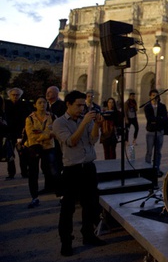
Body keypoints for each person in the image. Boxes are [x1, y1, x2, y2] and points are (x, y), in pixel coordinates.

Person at [52, 90, 107, 256]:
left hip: (89, 167)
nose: (82, 108)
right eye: (78, 105)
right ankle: (66, 241)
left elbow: (92, 140)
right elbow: (71, 142)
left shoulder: (86, 119)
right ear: (68, 104)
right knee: (68, 207)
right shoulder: (59, 123)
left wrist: (96, 124)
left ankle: (88, 234)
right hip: (72, 169)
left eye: (83, 105)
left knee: (90, 204)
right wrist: (84, 123)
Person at [24, 96, 56, 208]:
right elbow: (31, 136)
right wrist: (47, 135)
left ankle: (59, 194)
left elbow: (55, 132)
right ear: (35, 105)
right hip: (34, 147)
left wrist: (40, 134)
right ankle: (34, 197)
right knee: (33, 172)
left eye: (44, 102)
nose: (42, 104)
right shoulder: (30, 119)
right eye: (40, 102)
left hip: (49, 148)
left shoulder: (52, 116)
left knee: (52, 171)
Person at [4, 88, 32, 179]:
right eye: (13, 95)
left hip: (21, 133)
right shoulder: (6, 105)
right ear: (9, 95)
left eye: (17, 95)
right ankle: (11, 173)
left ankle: (24, 172)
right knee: (10, 154)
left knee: (22, 153)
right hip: (9, 132)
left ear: (20, 95)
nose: (15, 96)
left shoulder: (24, 105)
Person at [143, 89, 168, 177]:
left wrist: (157, 120)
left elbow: (165, 118)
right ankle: (147, 169)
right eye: (153, 95)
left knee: (158, 152)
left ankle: (156, 169)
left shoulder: (162, 106)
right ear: (150, 96)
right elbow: (149, 119)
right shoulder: (147, 107)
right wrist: (159, 119)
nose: (154, 97)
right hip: (150, 132)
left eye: (156, 95)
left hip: (159, 132)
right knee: (149, 152)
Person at [45, 85, 65, 194]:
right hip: (46, 140)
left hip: (56, 140)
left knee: (56, 164)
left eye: (50, 92)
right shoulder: (44, 105)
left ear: (57, 94)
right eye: (47, 92)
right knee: (46, 165)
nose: (48, 94)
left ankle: (58, 188)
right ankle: (48, 186)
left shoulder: (61, 105)